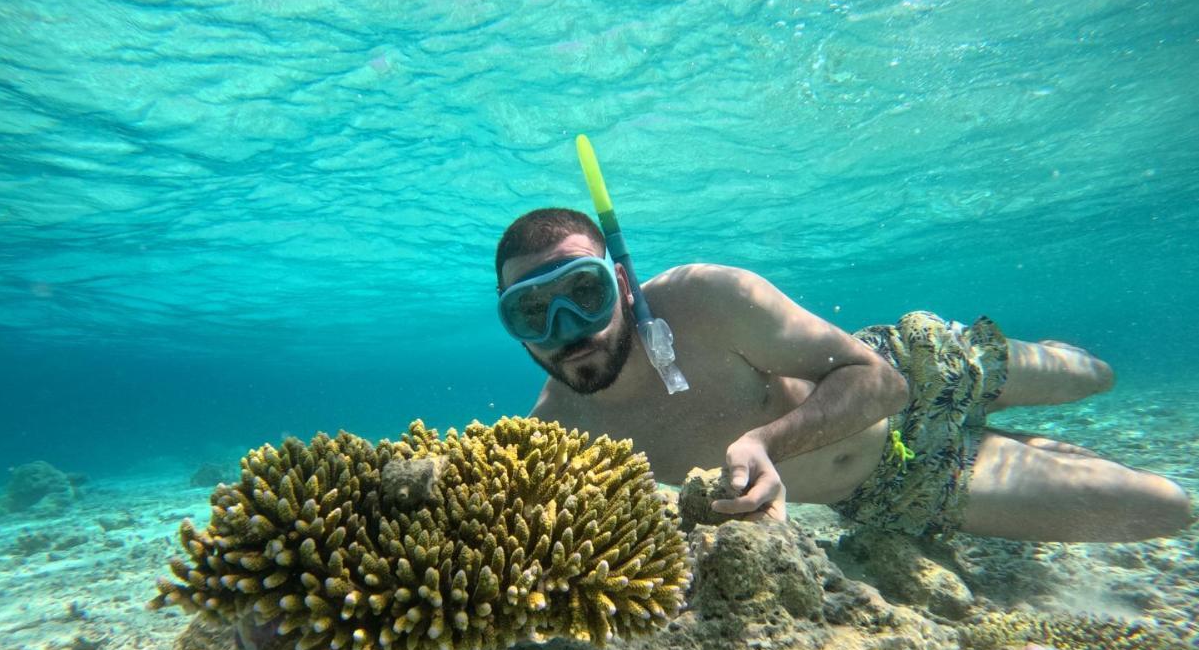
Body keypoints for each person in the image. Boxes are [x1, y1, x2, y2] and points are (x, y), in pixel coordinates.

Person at [494, 208, 1192, 542]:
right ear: (512, 331)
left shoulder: (707, 297)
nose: (567, 332)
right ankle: (1014, 449)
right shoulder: (556, 434)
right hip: (893, 485)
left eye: (582, 294)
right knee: (1167, 509)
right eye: (531, 314)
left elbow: (881, 383)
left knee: (1093, 377)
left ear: (621, 281)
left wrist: (766, 442)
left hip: (917, 366)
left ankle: (1008, 409)